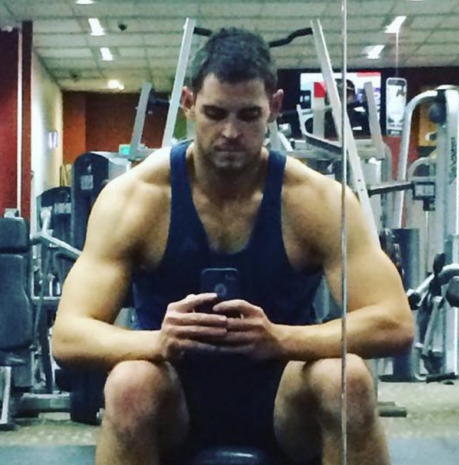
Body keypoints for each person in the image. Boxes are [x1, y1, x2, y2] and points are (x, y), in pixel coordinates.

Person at [52, 27, 413, 465]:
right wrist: (159, 342)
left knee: (347, 379)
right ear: (189, 103)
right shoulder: (136, 199)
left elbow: (394, 322)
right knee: (128, 384)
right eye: (215, 112)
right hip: (173, 402)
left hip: (284, 401)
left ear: (274, 107)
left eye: (248, 115)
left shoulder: (317, 200)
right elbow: (68, 335)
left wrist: (281, 339)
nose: (230, 131)